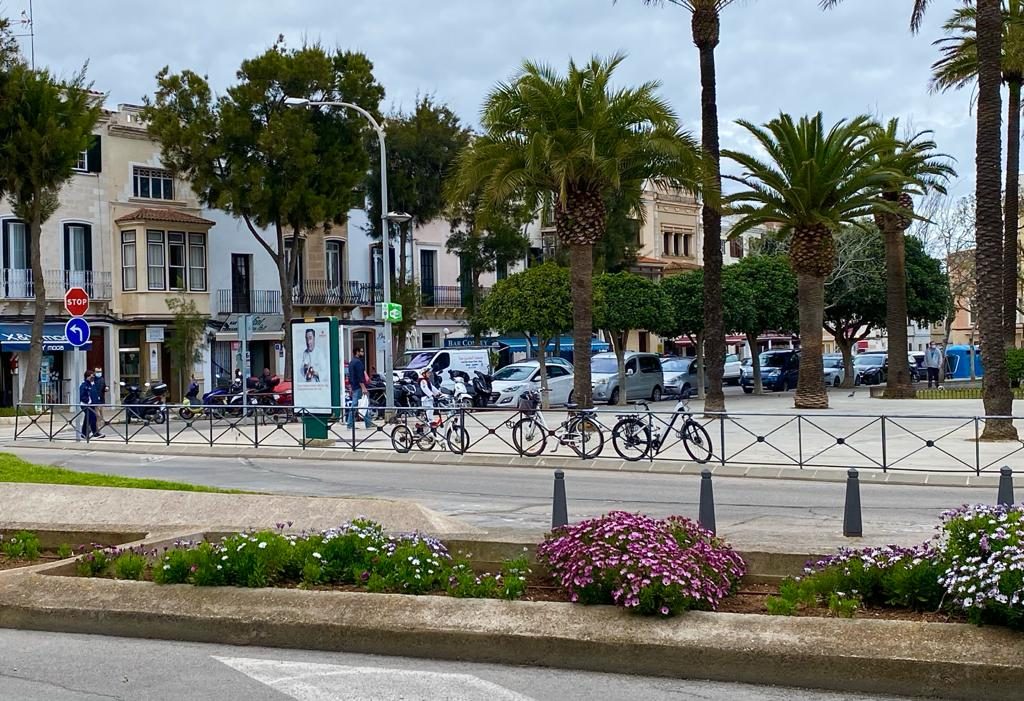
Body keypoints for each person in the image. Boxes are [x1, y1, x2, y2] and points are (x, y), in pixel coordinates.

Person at [346, 347, 373, 429]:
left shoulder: (351, 362)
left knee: (363, 404)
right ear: (357, 352)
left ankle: (368, 422)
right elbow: (360, 376)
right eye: (361, 351)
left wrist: (350, 387)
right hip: (359, 387)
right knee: (357, 405)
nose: (363, 353)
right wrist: (363, 387)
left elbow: (350, 376)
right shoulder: (358, 362)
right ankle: (350, 424)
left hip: (354, 386)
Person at [79, 370, 102, 439]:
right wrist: (88, 401)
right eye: (90, 376)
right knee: (91, 417)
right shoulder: (84, 385)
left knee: (88, 419)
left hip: (92, 404)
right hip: (85, 405)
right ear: (87, 377)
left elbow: (94, 394)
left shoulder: (92, 384)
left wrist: (97, 403)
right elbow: (82, 395)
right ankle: (95, 433)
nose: (92, 378)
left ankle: (84, 433)